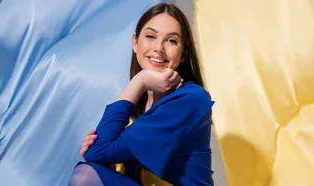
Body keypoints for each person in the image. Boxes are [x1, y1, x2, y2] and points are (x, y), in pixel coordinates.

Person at [69, 3, 215, 186]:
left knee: (84, 177)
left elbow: (96, 152)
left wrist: (140, 80)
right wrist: (107, 161)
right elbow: (97, 155)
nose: (159, 48)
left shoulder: (190, 99)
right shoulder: (139, 109)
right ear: (135, 43)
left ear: (184, 53)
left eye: (171, 40)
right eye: (151, 36)